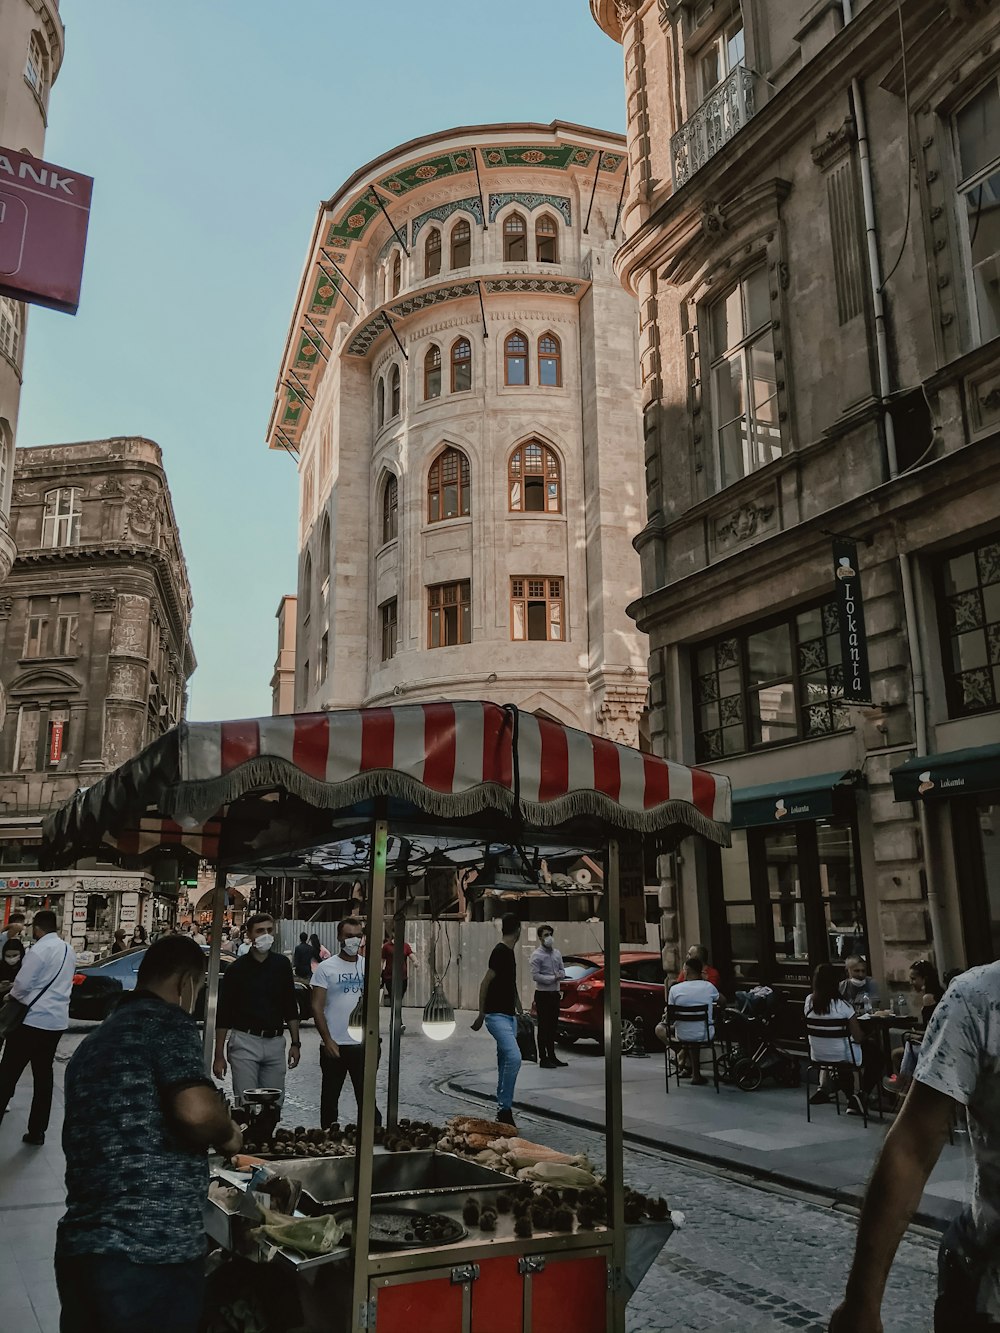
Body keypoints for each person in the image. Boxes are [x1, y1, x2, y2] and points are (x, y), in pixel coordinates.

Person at [55, 934, 242, 1333]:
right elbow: (195, 1111)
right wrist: (230, 1134)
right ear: (185, 982)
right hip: (151, 1255)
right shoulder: (167, 1022)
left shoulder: (91, 1045)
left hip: (81, 1251)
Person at [829, 960, 1000, 1332]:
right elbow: (912, 1146)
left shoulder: (978, 995)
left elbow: (913, 1146)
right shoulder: (979, 996)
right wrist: (862, 1301)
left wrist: (861, 1302)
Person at [0, 910, 75, 1145]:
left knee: (7, 1073)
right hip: (56, 1022)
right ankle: (37, 1131)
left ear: (38, 928)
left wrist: (10, 995)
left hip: (32, 1020)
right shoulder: (68, 949)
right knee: (44, 1076)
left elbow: (22, 984)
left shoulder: (39, 950)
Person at [212, 913, 300, 1105]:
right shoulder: (236, 969)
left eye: (269, 930)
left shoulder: (282, 965)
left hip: (275, 1042)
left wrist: (296, 1043)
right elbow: (224, 1013)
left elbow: (290, 1005)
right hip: (245, 1041)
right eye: (260, 931)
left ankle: (268, 1134)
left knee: (274, 1104)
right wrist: (218, 1055)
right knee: (246, 1104)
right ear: (250, 935)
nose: (265, 935)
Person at [311, 918, 382, 1128]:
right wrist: (327, 1040)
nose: (353, 940)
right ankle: (327, 1139)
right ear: (339, 937)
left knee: (367, 1097)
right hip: (335, 1044)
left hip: (363, 1044)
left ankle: (371, 1138)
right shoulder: (326, 968)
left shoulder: (369, 966)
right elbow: (316, 1006)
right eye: (349, 936)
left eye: (358, 936)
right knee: (330, 1099)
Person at [471, 912, 523, 1127]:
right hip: (496, 1016)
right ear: (518, 930)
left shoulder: (509, 953)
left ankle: (503, 1108)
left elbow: (510, 984)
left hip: (509, 1016)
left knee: (504, 1060)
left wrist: (520, 1010)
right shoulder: (500, 952)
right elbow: (485, 983)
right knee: (514, 1057)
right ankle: (505, 1108)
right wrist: (481, 1014)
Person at [806, 962, 878, 1116]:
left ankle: (850, 1097)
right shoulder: (843, 1006)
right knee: (875, 1054)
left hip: (818, 1054)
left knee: (842, 1058)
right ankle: (860, 1095)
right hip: (842, 1054)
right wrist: (867, 1035)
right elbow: (858, 1037)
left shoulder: (809, 1002)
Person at [885, 960, 945, 1104]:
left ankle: (905, 1084)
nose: (911, 982)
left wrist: (916, 1035)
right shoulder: (938, 993)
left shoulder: (928, 998)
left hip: (934, 1046)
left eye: (913, 978)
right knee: (906, 1045)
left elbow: (931, 1028)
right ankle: (907, 1087)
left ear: (924, 979)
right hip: (936, 1042)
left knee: (903, 1048)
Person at [665, 956, 720, 1086]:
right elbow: (721, 1001)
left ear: (687, 971)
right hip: (705, 1033)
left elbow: (670, 1013)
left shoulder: (675, 989)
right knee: (698, 1029)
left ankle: (685, 1063)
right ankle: (695, 1073)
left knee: (669, 1028)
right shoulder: (708, 987)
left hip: (682, 1033)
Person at [530, 924, 567, 1070]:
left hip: (554, 993)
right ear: (540, 937)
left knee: (553, 1027)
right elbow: (536, 976)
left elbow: (563, 970)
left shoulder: (557, 953)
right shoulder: (537, 955)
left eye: (550, 934)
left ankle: (552, 1055)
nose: (549, 937)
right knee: (543, 1027)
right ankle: (543, 1058)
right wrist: (553, 978)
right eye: (546, 935)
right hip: (543, 994)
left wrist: (560, 976)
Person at [380, 932, 415, 1017]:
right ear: (393, 933)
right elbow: (382, 960)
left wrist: (415, 961)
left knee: (400, 996)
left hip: (402, 976)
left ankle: (396, 1014)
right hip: (389, 976)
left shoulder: (405, 946)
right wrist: (379, 972)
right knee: (393, 996)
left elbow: (411, 954)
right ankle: (395, 1017)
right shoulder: (386, 946)